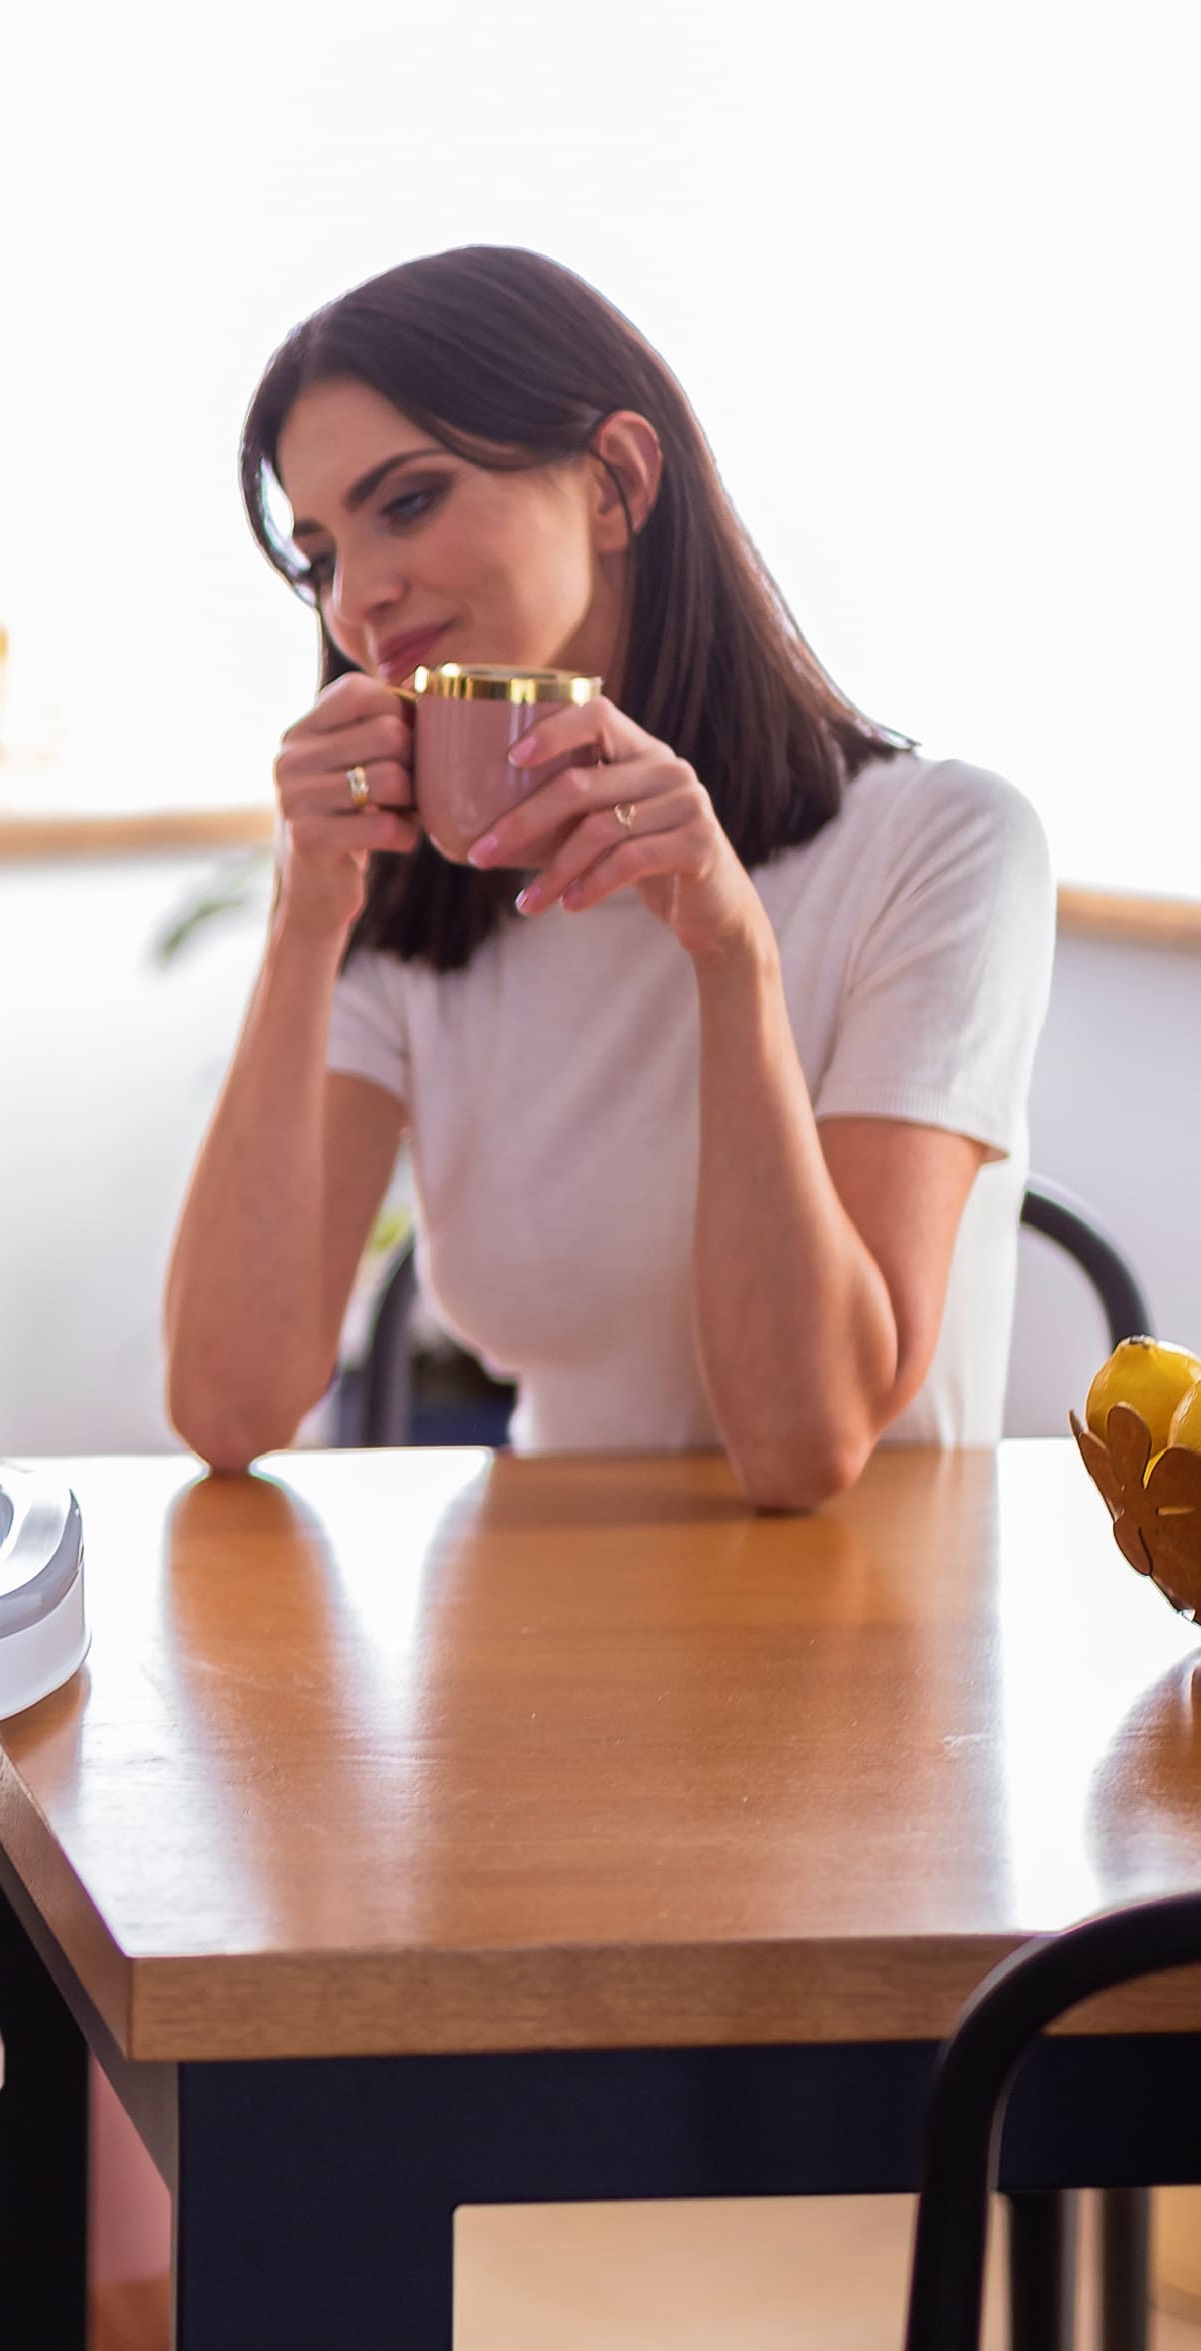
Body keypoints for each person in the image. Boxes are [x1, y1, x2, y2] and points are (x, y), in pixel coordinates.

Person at [165, 246, 1053, 1505]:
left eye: (407, 502)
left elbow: (805, 1447)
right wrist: (305, 924)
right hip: (535, 1643)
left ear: (616, 483)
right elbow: (227, 1405)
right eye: (318, 556)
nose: (357, 600)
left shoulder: (943, 846)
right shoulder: (408, 899)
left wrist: (732, 952)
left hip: (864, 1659)